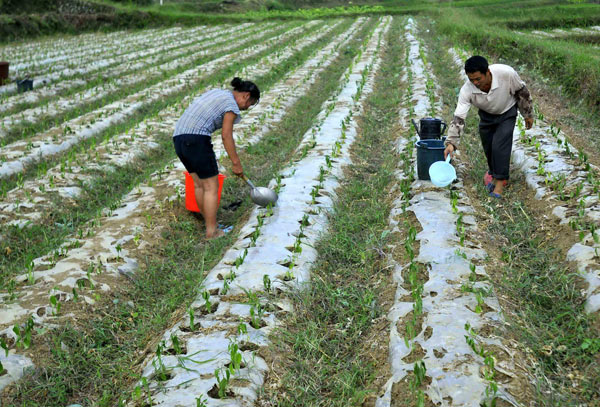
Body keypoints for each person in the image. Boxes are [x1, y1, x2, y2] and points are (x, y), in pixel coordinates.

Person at [173, 77, 260, 238]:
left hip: (179, 139)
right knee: (211, 187)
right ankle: (212, 232)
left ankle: (210, 225)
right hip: (196, 139)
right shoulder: (231, 105)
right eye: (250, 103)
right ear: (246, 96)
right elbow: (226, 135)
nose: (247, 108)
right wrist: (236, 163)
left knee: (199, 185)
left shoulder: (219, 93)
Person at [443, 56, 534, 198]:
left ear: (488, 72)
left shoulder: (506, 74)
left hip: (507, 111)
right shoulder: (467, 90)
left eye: (478, 79)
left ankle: (499, 185)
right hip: (486, 115)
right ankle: (494, 173)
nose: (475, 83)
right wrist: (451, 143)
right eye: (471, 79)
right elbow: (459, 117)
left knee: (500, 145)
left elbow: (522, 92)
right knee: (489, 147)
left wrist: (527, 113)